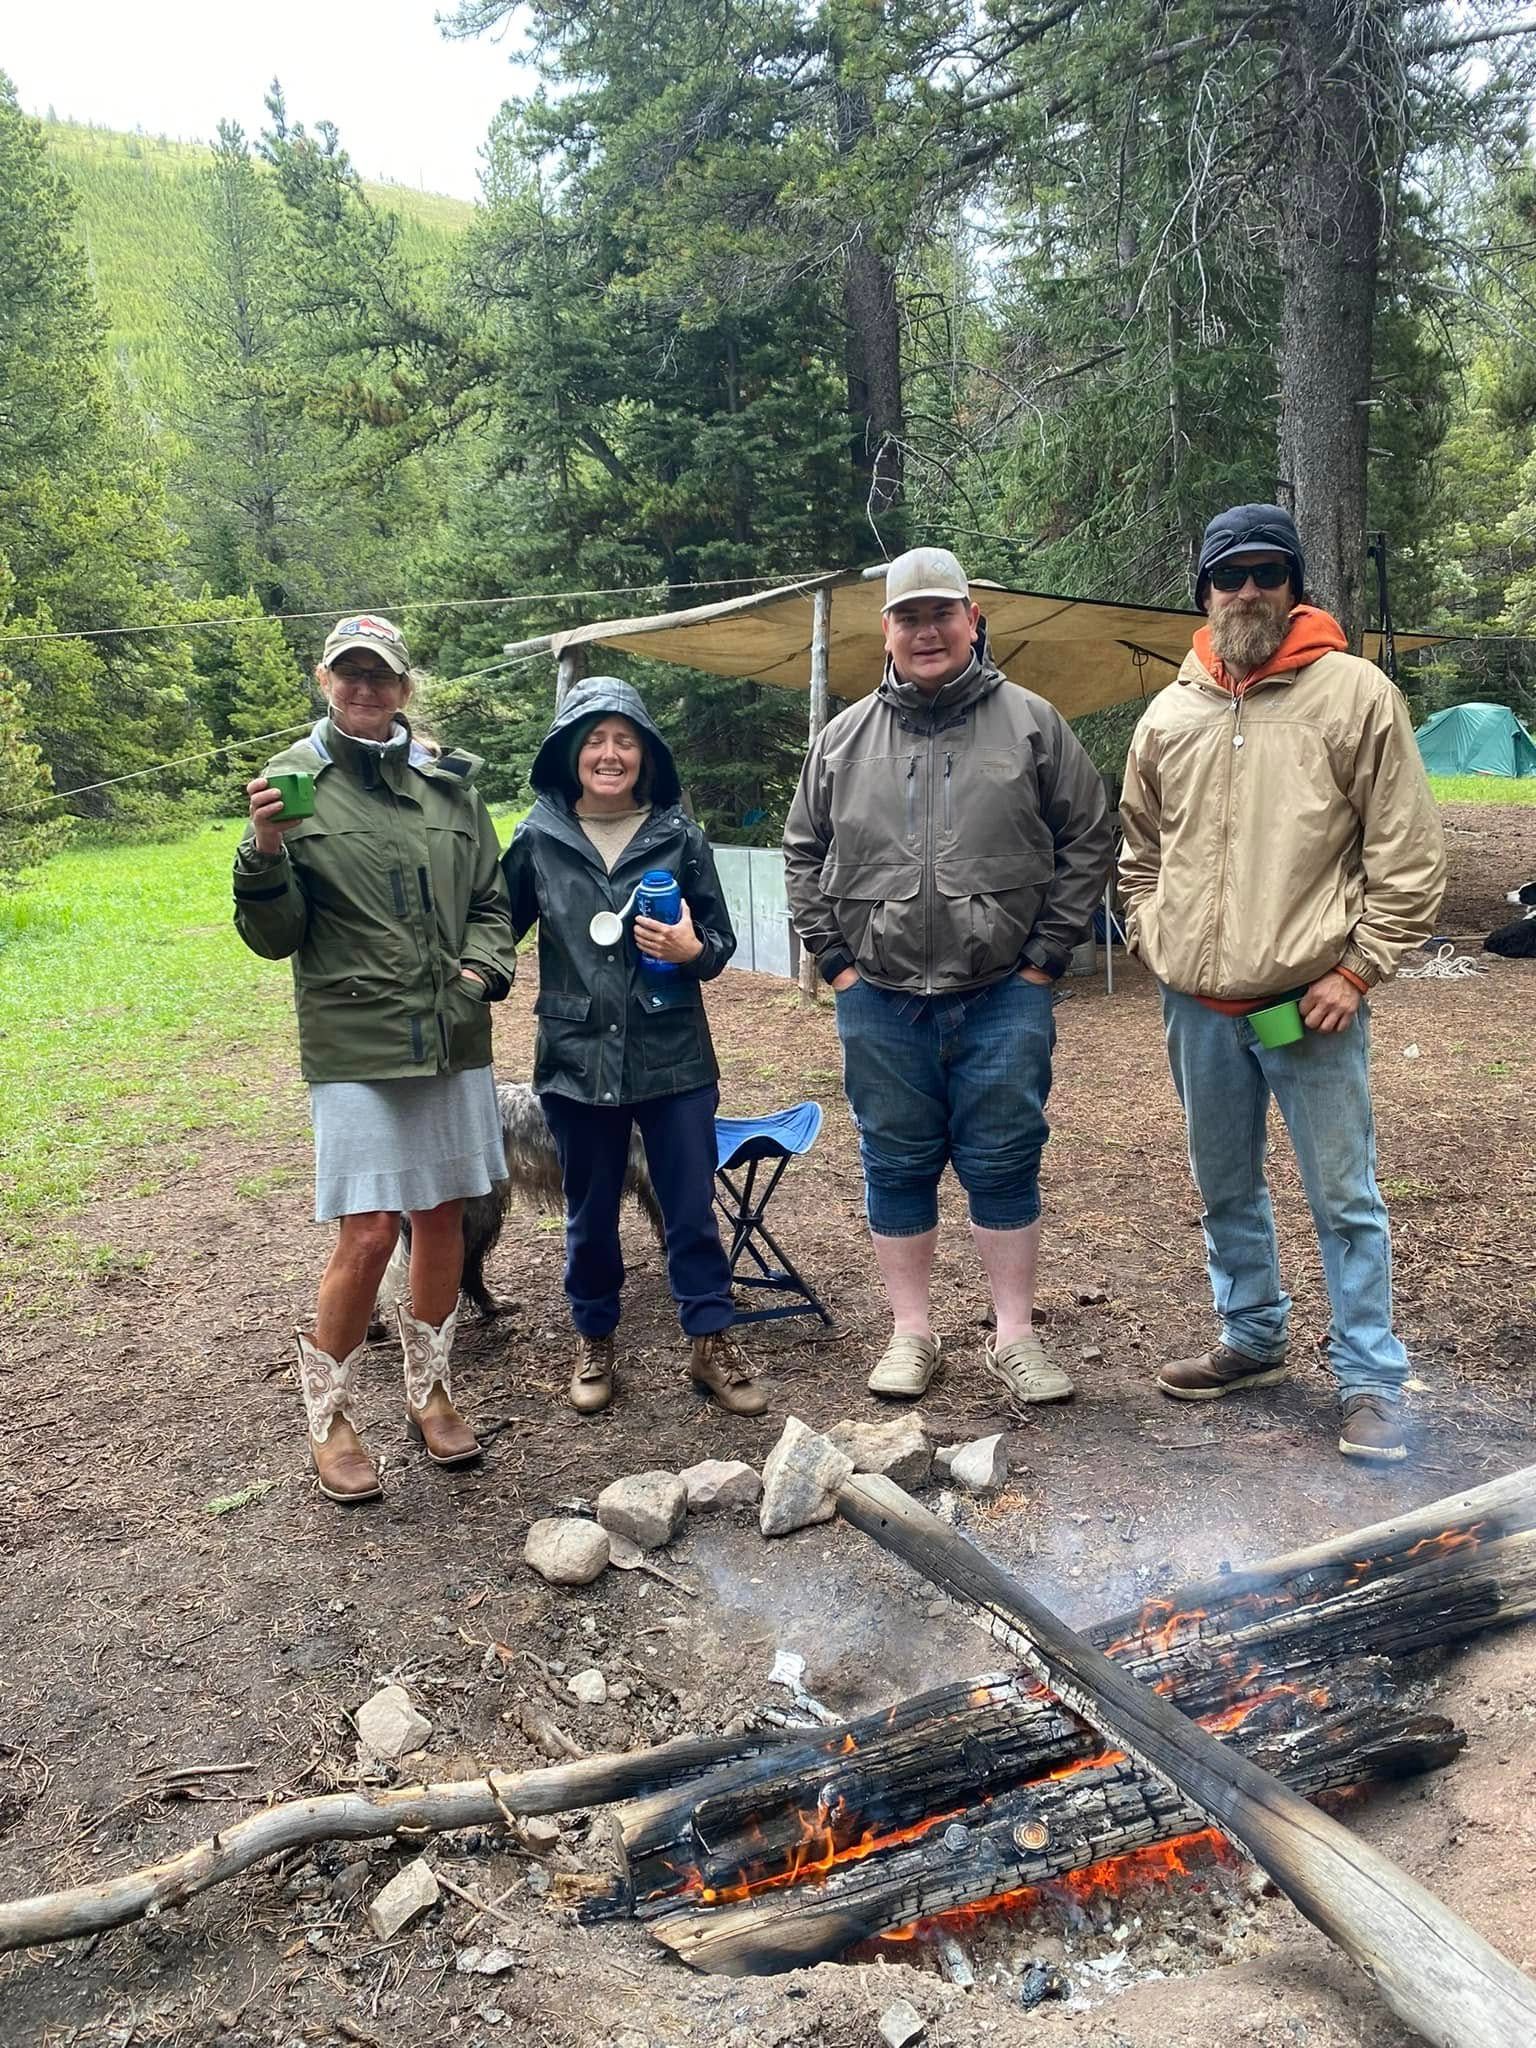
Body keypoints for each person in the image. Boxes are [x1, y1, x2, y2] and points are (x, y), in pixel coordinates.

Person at [1117, 504, 1446, 1464]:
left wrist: (1359, 967)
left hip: (1309, 1003)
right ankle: (1253, 1339)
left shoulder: (1354, 695)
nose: (1249, 590)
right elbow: (1137, 848)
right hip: (1199, 1008)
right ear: (1206, 593)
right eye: (1230, 575)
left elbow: (1409, 853)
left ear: (1295, 584)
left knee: (1343, 1198)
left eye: (1268, 572)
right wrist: (1150, 937)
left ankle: (1372, 1378)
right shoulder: (1172, 709)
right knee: (1224, 1185)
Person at [783, 547, 1112, 1403]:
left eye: (942, 614)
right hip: (879, 1000)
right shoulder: (843, 739)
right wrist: (837, 964)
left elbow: (1089, 837)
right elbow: (802, 852)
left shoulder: (1034, 723)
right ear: (886, 632)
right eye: (908, 617)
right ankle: (911, 1334)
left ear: (974, 621)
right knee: (895, 1161)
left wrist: (1046, 957)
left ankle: (1015, 1336)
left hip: (1005, 991)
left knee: (1005, 1159)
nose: (926, 631)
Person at [233, 614, 517, 1504]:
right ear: (325, 679)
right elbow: (273, 937)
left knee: (440, 1218)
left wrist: (481, 969)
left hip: (450, 1031)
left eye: (381, 675)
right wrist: (264, 851)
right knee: (368, 1229)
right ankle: (329, 1418)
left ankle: (430, 1390)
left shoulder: (450, 785)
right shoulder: (293, 782)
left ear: (403, 687)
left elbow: (492, 900)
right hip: (356, 1041)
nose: (365, 689)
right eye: (349, 674)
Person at [501, 677, 768, 1419]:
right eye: (595, 740)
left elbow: (718, 942)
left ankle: (711, 1342)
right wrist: (470, 971)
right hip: (576, 1058)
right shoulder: (537, 837)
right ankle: (595, 1339)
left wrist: (691, 948)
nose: (610, 754)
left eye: (625, 741)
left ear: (646, 756)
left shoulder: (679, 834)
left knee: (689, 1208)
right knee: (589, 1214)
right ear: (569, 752)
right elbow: (493, 928)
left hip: (674, 1056)